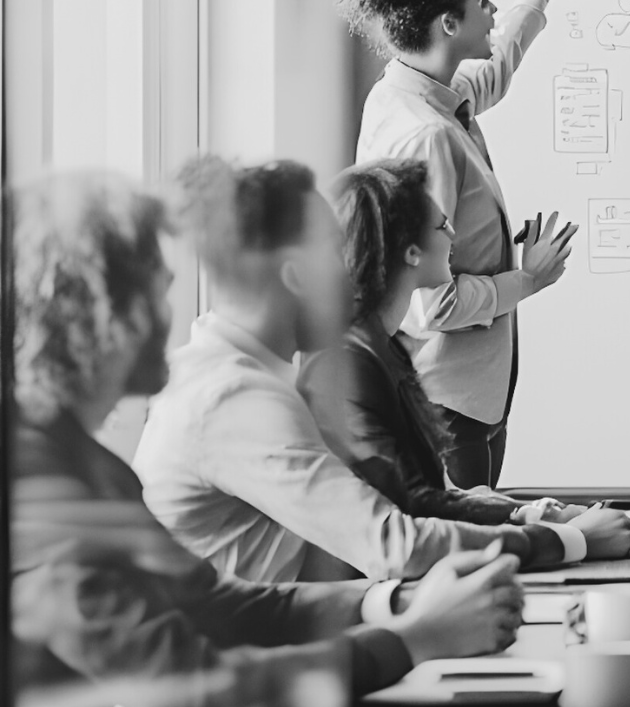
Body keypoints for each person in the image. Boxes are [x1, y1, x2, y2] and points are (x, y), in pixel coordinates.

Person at [10, 172, 524, 700]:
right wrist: (414, 639)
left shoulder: (84, 464)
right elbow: (195, 685)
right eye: (158, 292)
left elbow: (217, 604)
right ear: (99, 312)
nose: (169, 317)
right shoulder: (41, 492)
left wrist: (395, 607)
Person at [135, 156, 630, 582]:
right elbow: (393, 542)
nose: (354, 266)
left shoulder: (241, 376)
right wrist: (564, 539)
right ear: (295, 275)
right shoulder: (236, 397)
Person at [342, 0, 577, 488]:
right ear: (448, 25)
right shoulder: (427, 137)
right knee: (468, 554)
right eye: (482, 2)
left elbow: (493, 70)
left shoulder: (410, 88)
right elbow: (432, 306)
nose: (493, 10)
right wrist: (529, 279)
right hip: (449, 404)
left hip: (471, 395)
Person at [300, 159, 593, 527]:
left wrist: (529, 512)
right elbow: (404, 521)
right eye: (443, 225)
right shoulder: (348, 367)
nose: (454, 234)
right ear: (411, 252)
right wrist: (558, 534)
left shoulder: (384, 350)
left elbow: (426, 497)